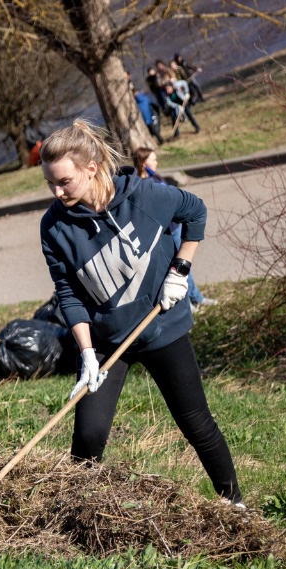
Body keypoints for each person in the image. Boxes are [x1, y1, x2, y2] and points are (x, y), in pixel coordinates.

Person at [38, 119, 243, 507]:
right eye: (50, 182)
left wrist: (180, 270)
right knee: (89, 436)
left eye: (64, 181)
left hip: (160, 327)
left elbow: (195, 211)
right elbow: (68, 294)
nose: (56, 190)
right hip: (104, 341)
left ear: (91, 168)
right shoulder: (54, 226)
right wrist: (85, 355)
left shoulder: (145, 197)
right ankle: (80, 514)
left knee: (195, 421)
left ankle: (235, 503)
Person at [132, 147, 217, 312]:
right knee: (174, 270)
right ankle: (188, 304)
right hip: (164, 233)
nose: (156, 163)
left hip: (176, 228)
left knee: (183, 266)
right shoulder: (140, 186)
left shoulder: (156, 178)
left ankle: (197, 298)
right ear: (143, 163)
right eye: (153, 160)